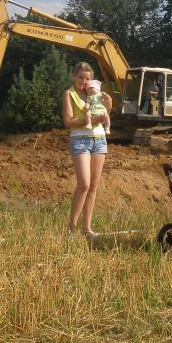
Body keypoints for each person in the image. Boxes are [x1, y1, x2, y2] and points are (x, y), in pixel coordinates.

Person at [63, 62, 112, 237]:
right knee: (83, 183)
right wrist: (87, 121)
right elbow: (68, 121)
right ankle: (71, 226)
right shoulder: (69, 94)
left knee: (93, 186)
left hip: (99, 140)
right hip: (80, 140)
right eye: (81, 78)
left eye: (87, 78)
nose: (84, 81)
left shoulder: (95, 93)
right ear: (74, 77)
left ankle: (86, 228)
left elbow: (104, 113)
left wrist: (109, 105)